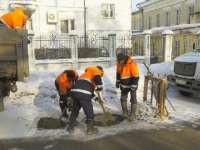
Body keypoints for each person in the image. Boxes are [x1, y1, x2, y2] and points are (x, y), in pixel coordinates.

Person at [67, 66, 104, 135]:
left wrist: (97, 100)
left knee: (75, 110)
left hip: (75, 92)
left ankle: (71, 128)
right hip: (84, 93)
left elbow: (87, 91)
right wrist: (99, 88)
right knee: (89, 111)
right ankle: (90, 130)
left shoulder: (85, 74)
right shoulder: (95, 71)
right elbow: (97, 79)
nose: (100, 76)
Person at [115, 53, 139, 122]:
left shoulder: (132, 64)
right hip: (124, 85)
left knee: (133, 99)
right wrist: (117, 82)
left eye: (121, 61)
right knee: (123, 98)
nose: (120, 62)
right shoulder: (119, 65)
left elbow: (136, 77)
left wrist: (134, 87)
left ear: (124, 59)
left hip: (132, 85)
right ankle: (125, 112)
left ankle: (132, 115)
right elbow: (118, 74)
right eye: (119, 61)